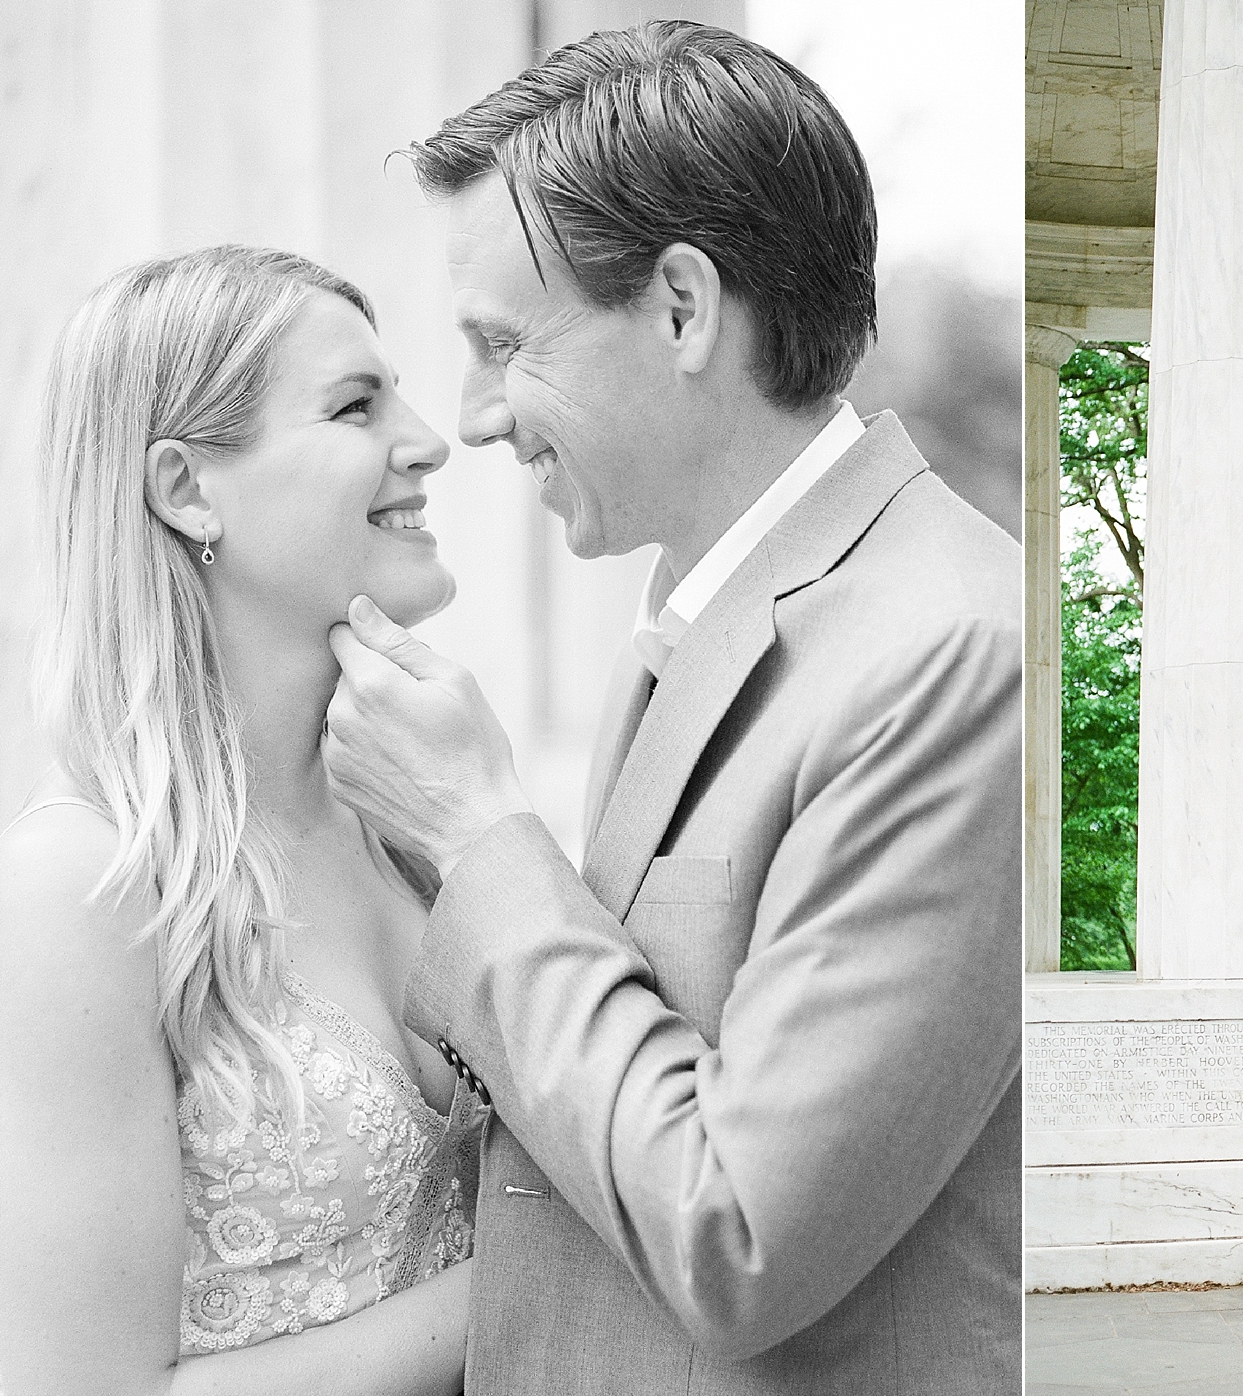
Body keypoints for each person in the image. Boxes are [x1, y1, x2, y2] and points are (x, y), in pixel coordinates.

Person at [318, 21, 1021, 1396]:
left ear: (685, 308)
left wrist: (480, 845)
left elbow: (739, 1233)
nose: (467, 418)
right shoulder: (702, 620)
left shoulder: (950, 651)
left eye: (502, 344)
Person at [0, 247, 476, 1394]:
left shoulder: (412, 830)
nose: (428, 439)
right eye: (356, 405)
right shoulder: (83, 889)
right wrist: (539, 1277)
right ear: (186, 488)